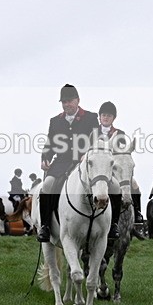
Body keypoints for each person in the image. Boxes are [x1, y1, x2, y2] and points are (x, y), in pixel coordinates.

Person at [37, 84, 99, 243]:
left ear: (78, 100)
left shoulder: (91, 118)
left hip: (84, 162)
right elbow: (50, 144)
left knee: (104, 184)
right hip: (62, 163)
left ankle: (110, 225)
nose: (67, 105)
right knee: (47, 185)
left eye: (70, 101)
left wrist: (87, 153)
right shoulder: (55, 121)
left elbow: (97, 140)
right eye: (64, 102)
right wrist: (45, 157)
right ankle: (45, 226)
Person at [97, 100, 142, 240]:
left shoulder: (119, 133)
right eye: (103, 115)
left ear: (113, 118)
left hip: (115, 168)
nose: (106, 117)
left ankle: (137, 213)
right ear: (99, 117)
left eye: (109, 116)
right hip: (98, 169)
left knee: (134, 185)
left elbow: (122, 153)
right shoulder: (93, 131)